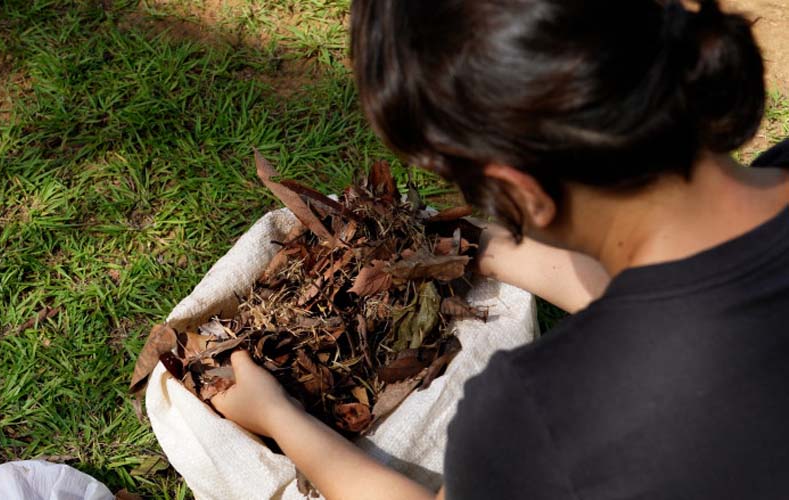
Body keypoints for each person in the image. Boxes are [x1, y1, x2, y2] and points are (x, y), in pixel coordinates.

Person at [210, 0, 789, 498]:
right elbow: (690, 286)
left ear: (522, 190)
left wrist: (278, 416)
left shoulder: (545, 417)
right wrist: (468, 249)